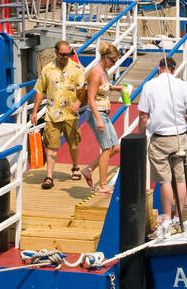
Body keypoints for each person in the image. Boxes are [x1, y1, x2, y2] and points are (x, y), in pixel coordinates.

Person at [137, 56, 187, 236]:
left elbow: (143, 116)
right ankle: (178, 217)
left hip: (160, 139)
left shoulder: (149, 86)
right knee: (180, 179)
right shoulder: (182, 85)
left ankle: (165, 219)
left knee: (165, 180)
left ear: (159, 69)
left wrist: (141, 136)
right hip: (180, 137)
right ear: (173, 70)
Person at [30, 40, 85, 190]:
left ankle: (75, 167)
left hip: (70, 114)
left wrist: (79, 103)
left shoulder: (76, 68)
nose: (65, 57)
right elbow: (40, 91)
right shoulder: (47, 69)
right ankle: (49, 177)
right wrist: (34, 111)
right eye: (62, 54)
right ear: (55, 52)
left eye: (68, 54)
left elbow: (82, 89)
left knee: (73, 144)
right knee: (52, 146)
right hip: (53, 114)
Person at [77, 42, 125, 194]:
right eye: (112, 60)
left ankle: (88, 169)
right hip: (97, 113)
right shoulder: (96, 73)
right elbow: (90, 98)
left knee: (116, 146)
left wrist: (116, 88)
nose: (113, 64)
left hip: (103, 112)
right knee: (107, 148)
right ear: (105, 57)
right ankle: (103, 185)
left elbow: (104, 86)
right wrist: (98, 119)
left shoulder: (103, 71)